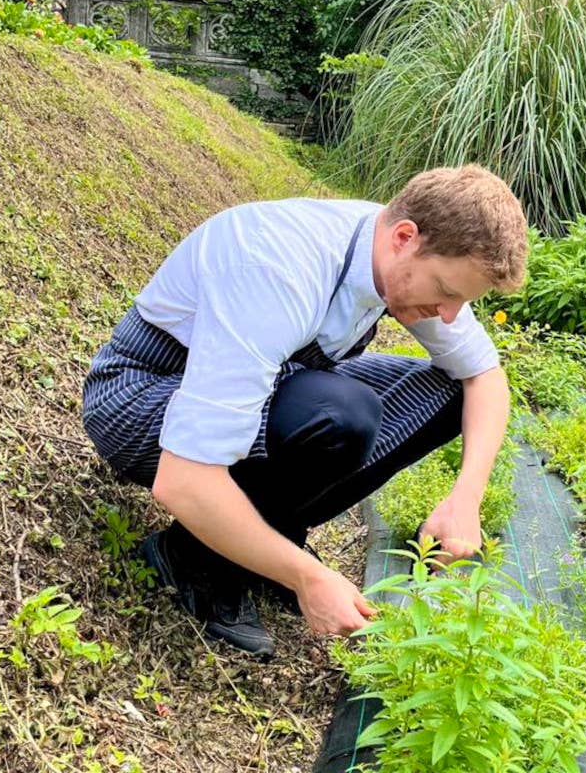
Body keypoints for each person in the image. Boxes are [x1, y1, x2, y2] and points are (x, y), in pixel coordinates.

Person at [80, 164, 527, 657]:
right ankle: (195, 562)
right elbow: (183, 477)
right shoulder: (279, 268)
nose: (448, 315)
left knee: (452, 396)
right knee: (341, 416)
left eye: (459, 302)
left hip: (262, 383)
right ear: (405, 237)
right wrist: (307, 576)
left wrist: (466, 497)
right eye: (445, 293)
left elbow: (485, 377)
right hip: (143, 396)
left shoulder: (387, 253)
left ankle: (267, 538)